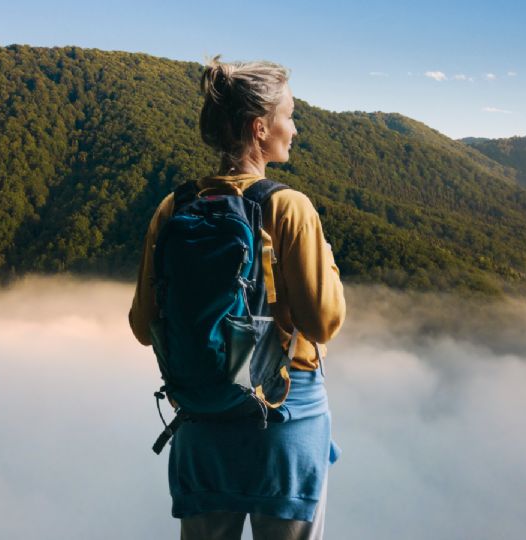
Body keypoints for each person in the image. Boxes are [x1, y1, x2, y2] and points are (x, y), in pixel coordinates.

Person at [128, 55, 346, 540]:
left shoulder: (174, 208)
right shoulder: (288, 207)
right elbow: (323, 322)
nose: (295, 128)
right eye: (289, 115)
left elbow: (143, 326)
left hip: (201, 424)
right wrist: (327, 259)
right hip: (284, 421)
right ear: (259, 127)